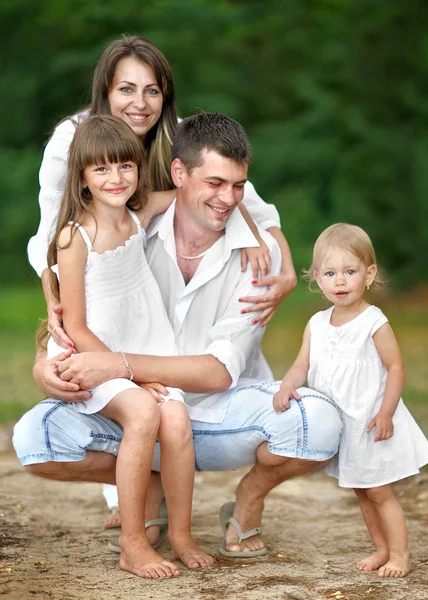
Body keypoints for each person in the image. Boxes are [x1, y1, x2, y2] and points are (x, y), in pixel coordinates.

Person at [14, 112, 343, 561]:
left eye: (237, 186)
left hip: (217, 415)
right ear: (178, 174)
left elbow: (217, 373)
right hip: (129, 402)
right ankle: (146, 488)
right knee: (35, 436)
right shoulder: (131, 220)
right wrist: (43, 361)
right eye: (214, 183)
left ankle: (244, 502)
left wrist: (264, 234)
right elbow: (72, 311)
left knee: (320, 421)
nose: (226, 199)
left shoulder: (254, 258)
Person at [27, 34, 298, 528]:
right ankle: (133, 495)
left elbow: (236, 189)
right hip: (93, 276)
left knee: (162, 392)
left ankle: (153, 497)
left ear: (166, 95)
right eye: (126, 89)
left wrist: (269, 245)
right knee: (120, 389)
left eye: (152, 91)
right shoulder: (74, 138)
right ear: (104, 91)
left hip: (143, 269)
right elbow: (50, 232)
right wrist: (52, 301)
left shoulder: (177, 133)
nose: (140, 103)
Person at [41, 114, 218, 578]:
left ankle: (180, 534)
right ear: (81, 177)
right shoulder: (74, 238)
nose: (116, 178)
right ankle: (133, 543)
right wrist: (132, 373)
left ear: (139, 169)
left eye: (125, 166)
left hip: (141, 347)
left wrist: (263, 235)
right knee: (143, 412)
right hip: (95, 355)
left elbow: (196, 191)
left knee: (176, 420)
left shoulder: (139, 216)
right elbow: (75, 325)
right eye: (101, 169)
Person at [273, 223, 428, 578]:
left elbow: (396, 366)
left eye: (349, 271)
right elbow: (302, 364)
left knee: (379, 491)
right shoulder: (316, 323)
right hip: (344, 426)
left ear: (369, 274)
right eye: (330, 273)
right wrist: (287, 385)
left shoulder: (373, 322)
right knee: (361, 491)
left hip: (372, 422)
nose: (340, 281)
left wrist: (386, 412)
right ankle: (382, 549)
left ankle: (401, 554)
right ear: (317, 278)